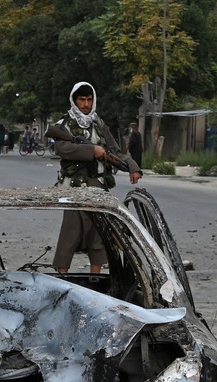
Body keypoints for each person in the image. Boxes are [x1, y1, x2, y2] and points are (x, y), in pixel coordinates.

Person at [51, 82, 142, 273]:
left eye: (89, 99)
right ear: (74, 101)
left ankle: (96, 279)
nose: (85, 104)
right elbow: (63, 149)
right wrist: (92, 151)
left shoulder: (99, 124)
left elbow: (115, 152)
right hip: (73, 187)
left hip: (98, 185)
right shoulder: (64, 124)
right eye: (82, 100)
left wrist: (133, 167)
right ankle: (62, 277)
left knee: (98, 233)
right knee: (71, 232)